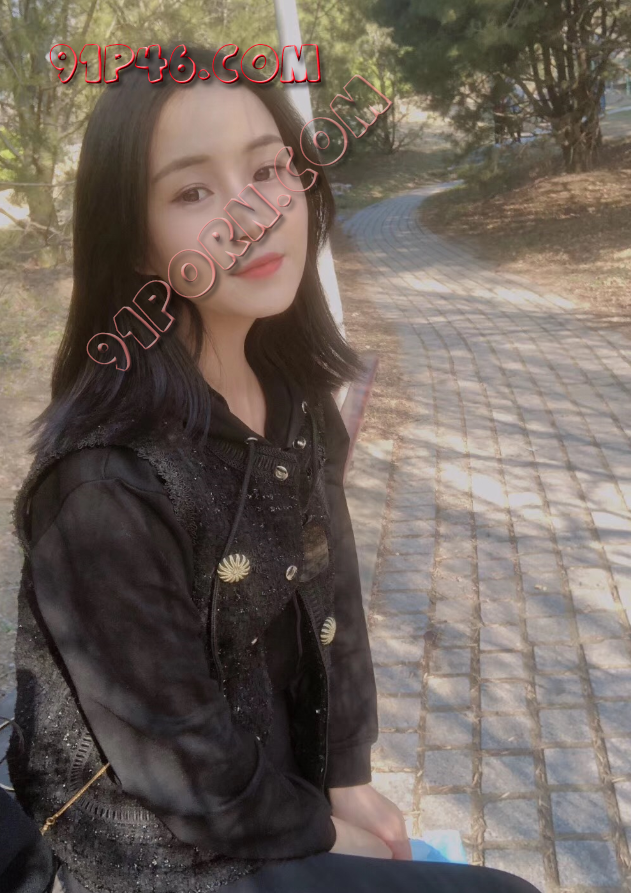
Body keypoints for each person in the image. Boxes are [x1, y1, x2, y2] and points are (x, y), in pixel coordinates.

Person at [6, 41, 543, 893]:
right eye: (192, 192)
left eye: (267, 169)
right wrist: (324, 830)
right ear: (137, 245)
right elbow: (179, 765)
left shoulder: (289, 392)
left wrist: (347, 772)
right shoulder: (105, 483)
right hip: (163, 851)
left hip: (271, 785)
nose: (251, 214)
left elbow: (334, 594)